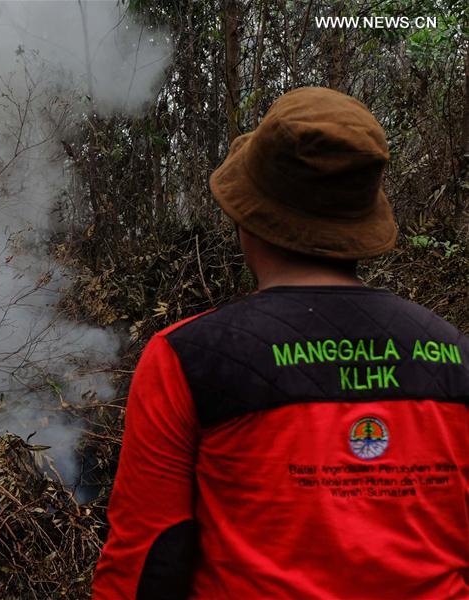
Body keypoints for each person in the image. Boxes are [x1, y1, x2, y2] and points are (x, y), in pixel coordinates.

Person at [92, 88, 469, 599]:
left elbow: (147, 560)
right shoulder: (455, 357)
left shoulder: (186, 358)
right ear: (361, 226)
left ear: (249, 218)